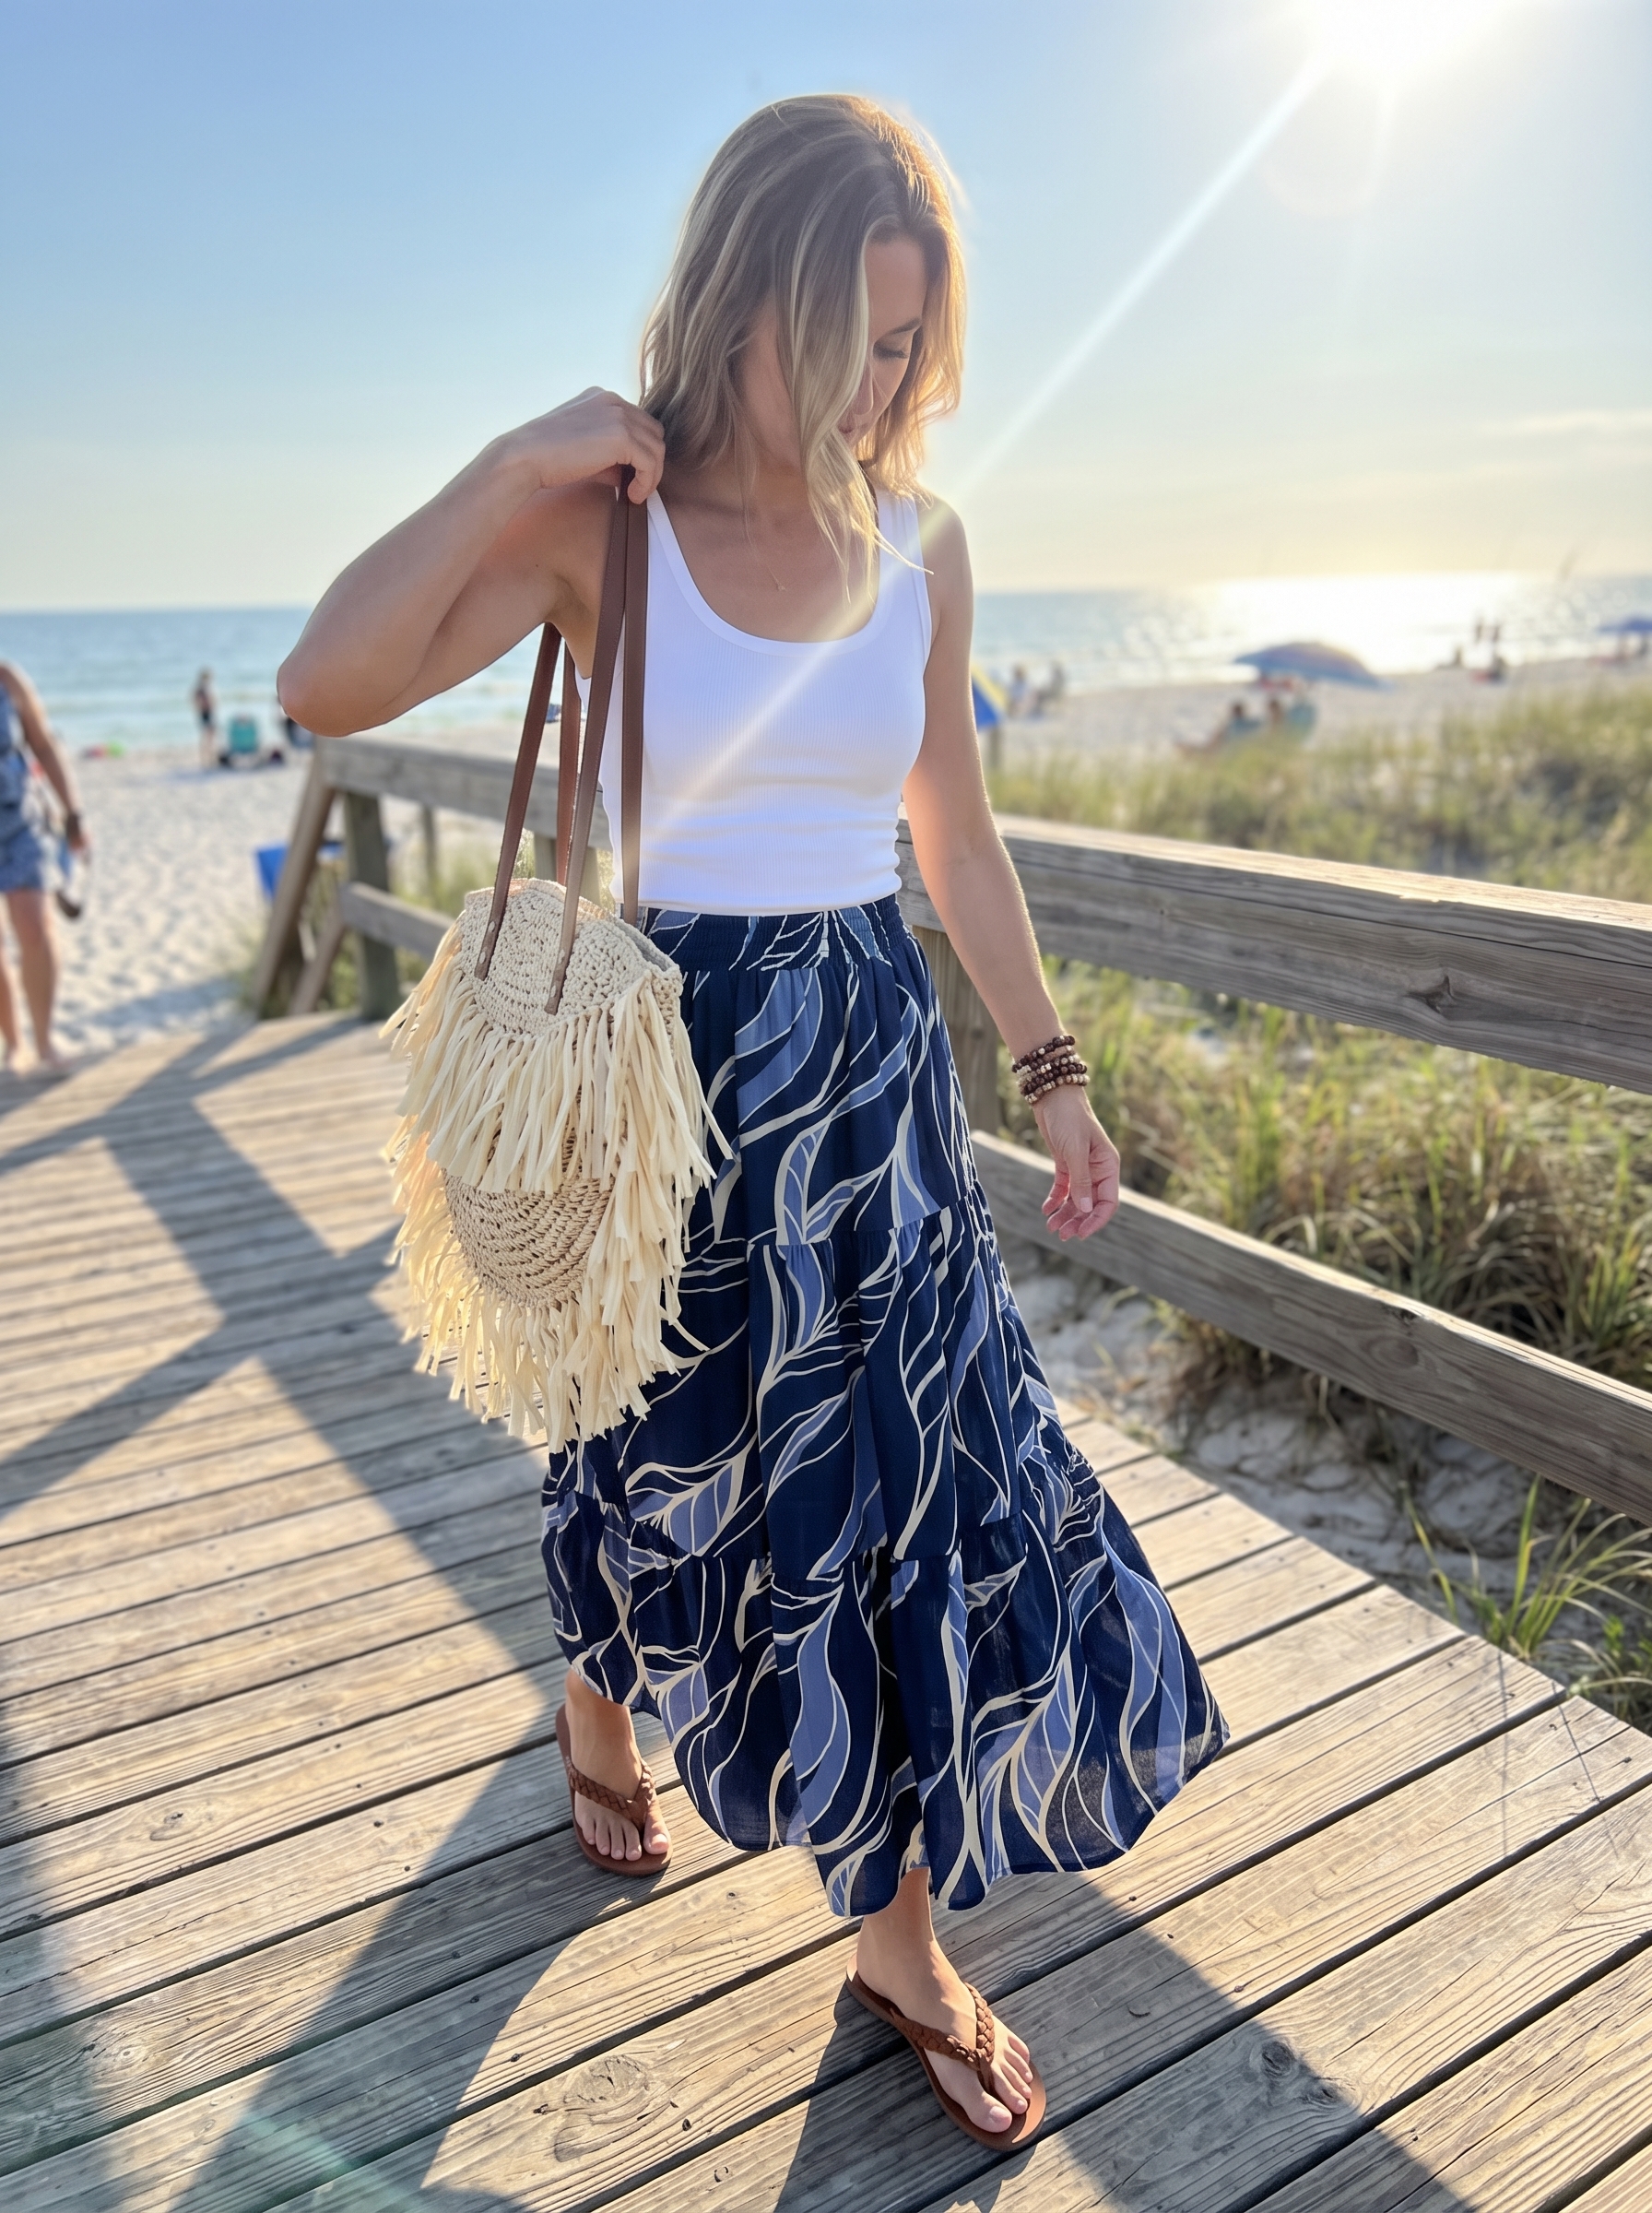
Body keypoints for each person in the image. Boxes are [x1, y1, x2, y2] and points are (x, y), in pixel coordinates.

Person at [278, 95, 1225, 2148]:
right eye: (846, 339)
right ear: (740, 303)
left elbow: (951, 832)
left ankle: (893, 1936)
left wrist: (1051, 1069)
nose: (878, 386)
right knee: (653, 1453)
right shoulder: (601, 527)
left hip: (870, 1090)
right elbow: (323, 687)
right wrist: (512, 461)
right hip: (671, 1090)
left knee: (892, 1495)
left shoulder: (920, 544)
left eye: (905, 345)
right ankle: (599, 1693)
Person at [0, 660, 88, 1076]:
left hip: (23, 822)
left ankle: (44, 1039)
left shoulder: (7, 678)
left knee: (35, 927)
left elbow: (43, 744)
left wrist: (73, 812)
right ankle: (13, 1043)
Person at [193, 668, 218, 767]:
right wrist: (202, 706)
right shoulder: (201, 689)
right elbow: (195, 700)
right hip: (205, 713)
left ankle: (209, 757)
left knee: (210, 736)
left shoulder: (206, 687)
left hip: (209, 712)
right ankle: (205, 758)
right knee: (206, 736)